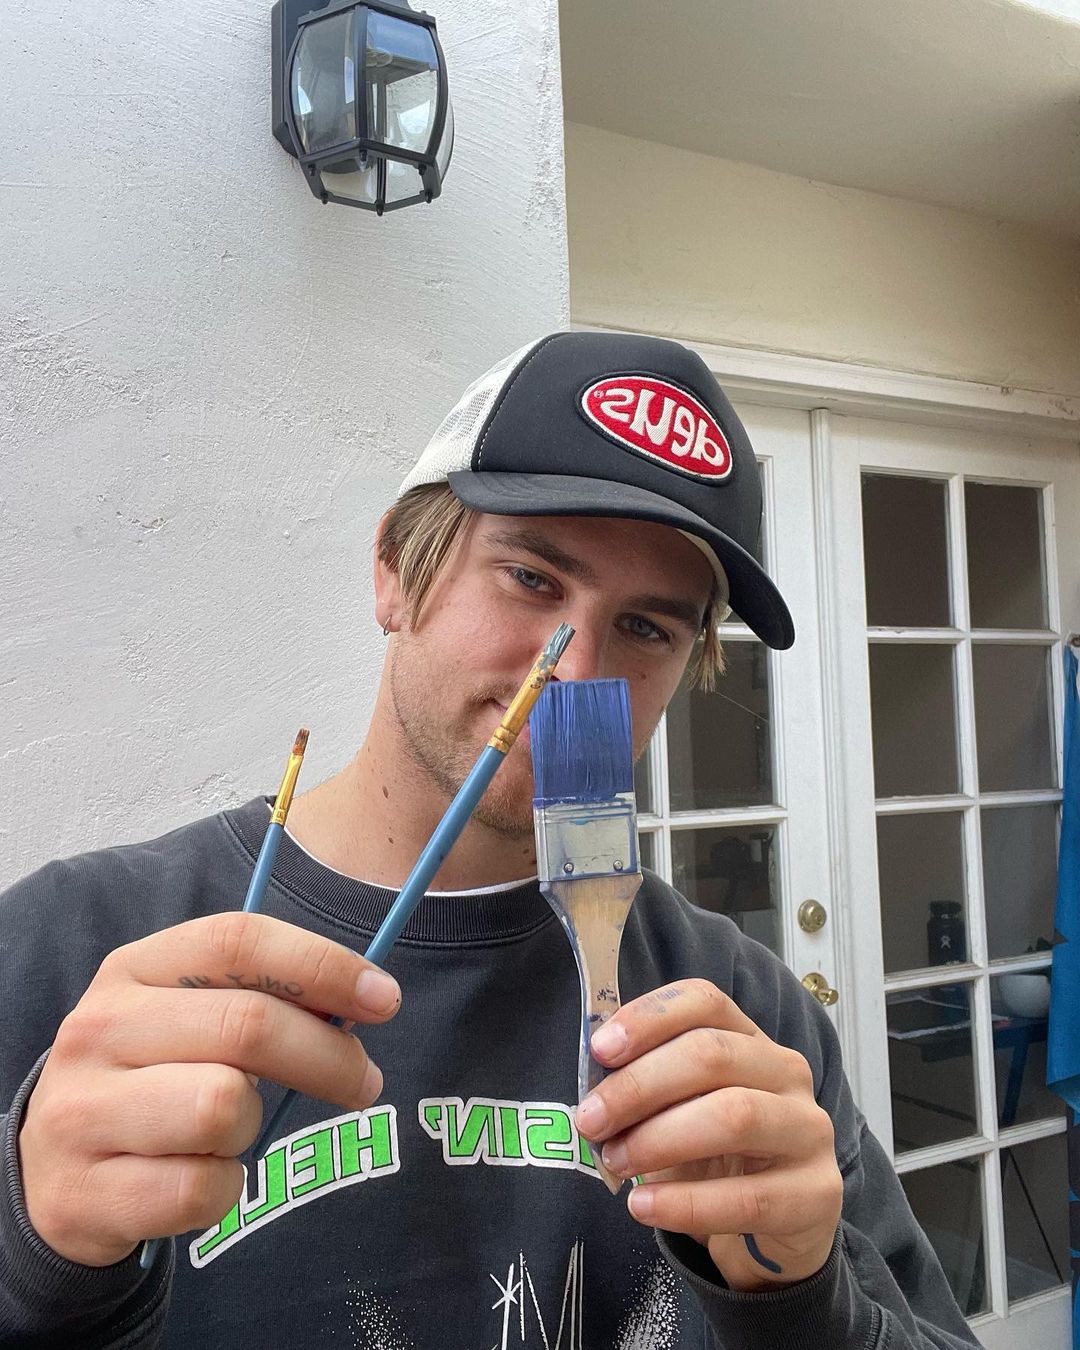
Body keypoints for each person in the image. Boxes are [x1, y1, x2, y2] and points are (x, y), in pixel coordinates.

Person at [0, 332, 981, 1349]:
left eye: (648, 629)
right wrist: (30, 1259)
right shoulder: (70, 953)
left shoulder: (745, 1012)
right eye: (531, 578)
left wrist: (806, 1303)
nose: (571, 671)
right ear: (394, 569)